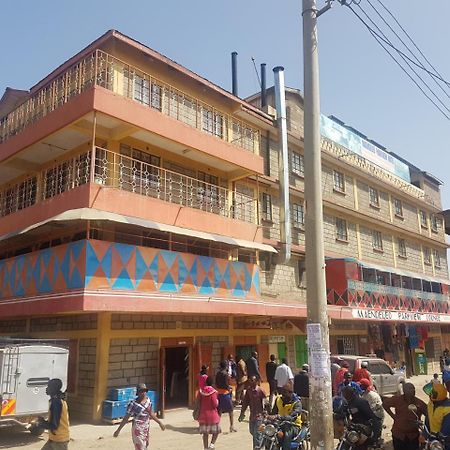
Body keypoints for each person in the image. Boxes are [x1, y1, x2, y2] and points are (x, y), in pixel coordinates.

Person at [114, 383, 165, 450]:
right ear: (138, 392)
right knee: (140, 447)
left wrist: (159, 423)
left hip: (146, 427)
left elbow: (151, 413)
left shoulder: (148, 401)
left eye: (144, 391)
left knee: (145, 446)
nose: (143, 393)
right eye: (141, 391)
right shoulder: (133, 404)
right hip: (137, 429)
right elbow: (126, 418)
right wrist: (118, 430)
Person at [382, 382, 427, 450]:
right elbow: (385, 404)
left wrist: (422, 426)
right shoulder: (397, 399)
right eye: (409, 389)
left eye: (413, 389)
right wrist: (393, 416)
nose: (412, 391)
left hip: (413, 435)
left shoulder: (419, 403)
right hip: (398, 434)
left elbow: (429, 414)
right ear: (404, 391)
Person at [37, 378, 70, 450]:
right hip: (55, 438)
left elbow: (54, 425)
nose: (46, 389)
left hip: (59, 440)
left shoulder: (56, 403)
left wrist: (40, 424)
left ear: (53, 389)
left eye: (49, 387)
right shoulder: (57, 400)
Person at [270, 383, 303, 450]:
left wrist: (279, 417)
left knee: (287, 434)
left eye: (285, 394)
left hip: (294, 425)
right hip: (280, 423)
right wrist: (267, 416)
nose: (283, 396)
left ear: (291, 393)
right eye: (282, 393)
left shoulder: (297, 403)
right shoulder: (278, 399)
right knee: (269, 431)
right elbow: (273, 412)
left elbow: (293, 416)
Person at [238, 376, 267, 450]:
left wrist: (266, 413)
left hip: (259, 416)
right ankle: (263, 441)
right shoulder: (248, 391)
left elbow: (265, 403)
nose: (250, 382)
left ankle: (257, 448)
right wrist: (242, 413)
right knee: (252, 431)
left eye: (252, 380)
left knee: (257, 434)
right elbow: (245, 403)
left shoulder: (260, 391)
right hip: (252, 416)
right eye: (250, 380)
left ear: (256, 381)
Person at [197, 376, 221, 450]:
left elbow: (198, 402)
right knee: (216, 431)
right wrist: (217, 402)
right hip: (212, 415)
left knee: (205, 433)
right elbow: (215, 404)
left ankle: (205, 447)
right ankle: (212, 445)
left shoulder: (201, 391)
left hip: (203, 415)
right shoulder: (214, 392)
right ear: (212, 383)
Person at [424, 382, 450, 447]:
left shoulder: (447, 409)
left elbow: (445, 430)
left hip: (445, 441)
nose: (429, 395)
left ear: (436, 395)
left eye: (431, 393)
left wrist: (438, 438)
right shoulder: (431, 404)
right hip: (432, 439)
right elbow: (427, 420)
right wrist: (424, 434)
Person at [215, 360, 236, 432]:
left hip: (219, 393)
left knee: (219, 411)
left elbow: (216, 383)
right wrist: (229, 388)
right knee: (231, 410)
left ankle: (217, 426)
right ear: (226, 366)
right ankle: (231, 426)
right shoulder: (226, 374)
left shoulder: (218, 374)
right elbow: (226, 384)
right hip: (226, 394)